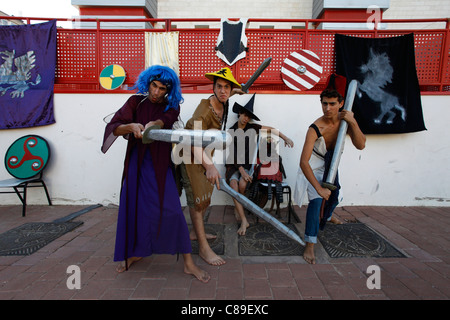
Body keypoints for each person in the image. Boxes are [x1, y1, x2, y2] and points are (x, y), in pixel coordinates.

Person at [101, 65, 210, 283]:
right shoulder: (134, 102)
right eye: (154, 86)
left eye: (162, 88)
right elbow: (114, 126)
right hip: (136, 163)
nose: (156, 92)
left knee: (172, 211)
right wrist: (130, 126)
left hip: (160, 165)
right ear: (147, 82)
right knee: (135, 208)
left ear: (169, 90)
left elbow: (164, 121)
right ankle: (135, 252)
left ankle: (188, 263)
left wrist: (153, 125)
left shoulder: (172, 106)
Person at [179, 67, 243, 266]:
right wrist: (209, 166)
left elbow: (230, 92)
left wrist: (236, 90)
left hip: (204, 157)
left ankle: (195, 232)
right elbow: (192, 141)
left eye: (227, 88)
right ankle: (204, 250)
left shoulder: (223, 102)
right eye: (219, 87)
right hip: (190, 158)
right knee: (197, 199)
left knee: (205, 194)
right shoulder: (204, 110)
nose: (223, 91)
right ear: (213, 88)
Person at [295, 86, 366, 265]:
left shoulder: (344, 123)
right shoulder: (315, 128)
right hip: (313, 168)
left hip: (331, 167)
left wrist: (353, 122)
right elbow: (303, 162)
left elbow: (361, 145)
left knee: (334, 197)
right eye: (324, 104)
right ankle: (310, 243)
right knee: (317, 202)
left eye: (332, 104)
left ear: (341, 104)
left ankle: (327, 216)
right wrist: (318, 189)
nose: (327, 108)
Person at [225, 94, 294, 236]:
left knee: (243, 186)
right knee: (234, 185)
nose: (246, 118)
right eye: (244, 115)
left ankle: (238, 207)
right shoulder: (231, 130)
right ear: (239, 113)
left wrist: (285, 137)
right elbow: (232, 154)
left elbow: (271, 129)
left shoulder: (253, 127)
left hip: (248, 166)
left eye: (248, 116)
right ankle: (244, 219)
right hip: (234, 165)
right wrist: (241, 171)